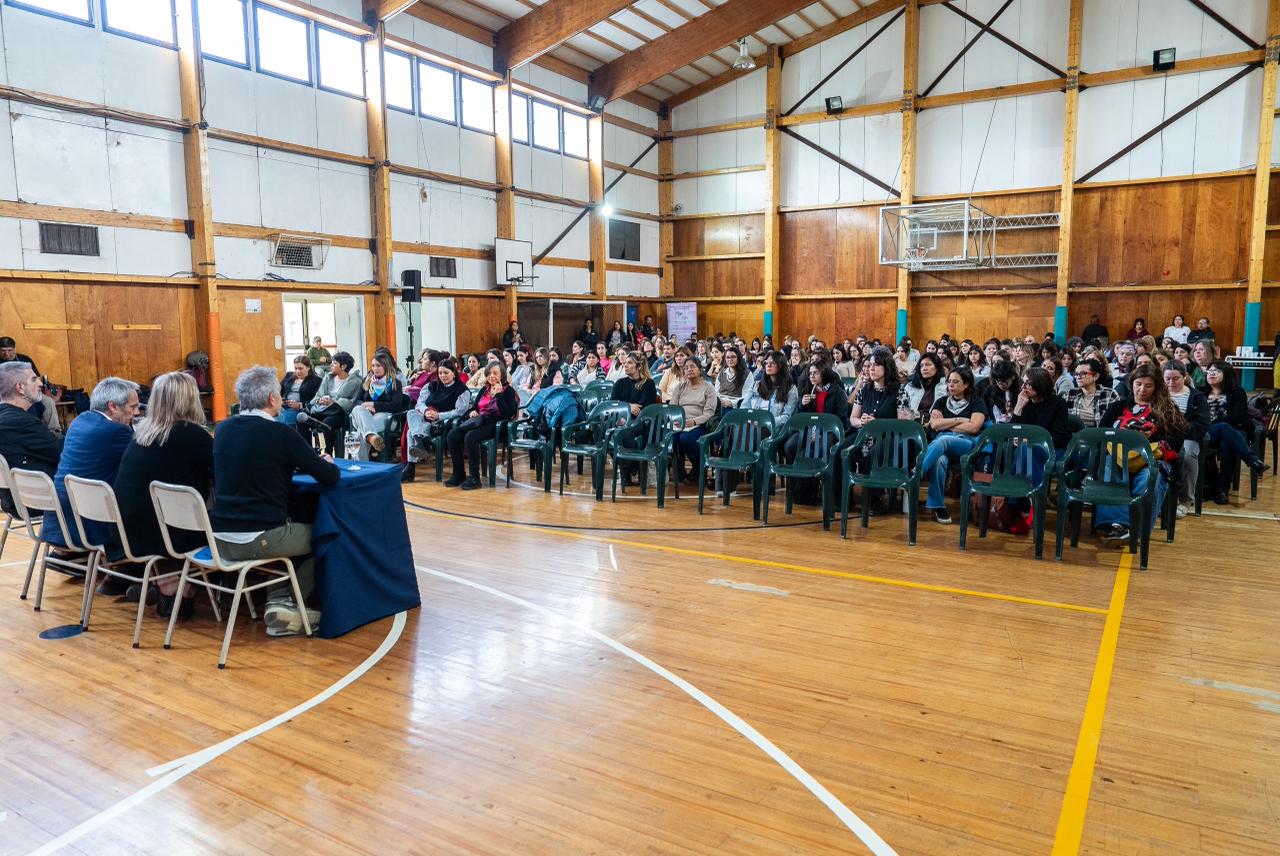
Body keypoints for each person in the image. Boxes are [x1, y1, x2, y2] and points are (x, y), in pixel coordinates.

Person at [212, 366, 340, 637]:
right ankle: (286, 603)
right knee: (326, 534)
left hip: (220, 538)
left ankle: (279, 597)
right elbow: (328, 476)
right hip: (258, 537)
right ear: (272, 399)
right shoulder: (280, 434)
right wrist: (324, 461)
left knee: (295, 521)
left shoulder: (223, 430)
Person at [113, 372, 212, 613]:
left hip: (127, 532)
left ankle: (168, 584)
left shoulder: (142, 433)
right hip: (169, 534)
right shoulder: (191, 434)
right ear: (190, 399)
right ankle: (184, 586)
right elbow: (224, 471)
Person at [41, 377, 140, 563]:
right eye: (133, 407)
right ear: (113, 407)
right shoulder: (117, 431)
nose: (137, 412)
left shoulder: (80, 420)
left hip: (61, 521)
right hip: (88, 525)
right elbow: (141, 465)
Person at [1092, 364, 1186, 542]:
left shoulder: (1166, 409)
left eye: (1148, 385)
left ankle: (1136, 529)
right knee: (1108, 468)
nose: (1142, 389)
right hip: (1120, 456)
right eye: (1138, 384)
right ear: (1131, 384)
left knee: (1150, 477)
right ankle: (1117, 525)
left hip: (1151, 458)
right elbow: (1101, 434)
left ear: (1156, 387)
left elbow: (1177, 441)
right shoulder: (1118, 406)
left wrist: (1152, 435)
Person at [921, 367, 988, 524]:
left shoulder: (977, 402)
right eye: (949, 381)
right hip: (941, 444)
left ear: (966, 385)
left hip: (966, 444)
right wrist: (960, 420)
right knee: (939, 461)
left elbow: (974, 427)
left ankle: (917, 472)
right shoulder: (941, 401)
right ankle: (938, 505)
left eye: (955, 381)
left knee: (943, 440)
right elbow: (935, 424)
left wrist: (946, 424)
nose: (951, 384)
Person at [0, 361, 63, 515]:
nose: (41, 383)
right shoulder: (20, 422)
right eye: (34, 379)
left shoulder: (9, 417)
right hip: (34, 501)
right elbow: (61, 453)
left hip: (13, 498)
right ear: (20, 387)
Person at [1202, 361, 1269, 504]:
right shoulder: (1201, 392)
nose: (1211, 374)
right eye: (1210, 371)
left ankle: (1222, 489)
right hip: (1209, 432)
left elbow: (1237, 417)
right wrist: (1217, 424)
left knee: (1228, 444)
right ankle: (1252, 460)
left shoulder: (1237, 392)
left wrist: (1221, 424)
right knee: (1222, 426)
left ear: (1226, 374)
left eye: (1216, 371)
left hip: (1235, 431)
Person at [445, 360, 517, 490]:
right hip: (479, 420)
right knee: (452, 435)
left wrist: (499, 395)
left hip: (496, 424)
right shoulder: (485, 389)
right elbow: (475, 407)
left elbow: (508, 414)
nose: (491, 376)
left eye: (495, 373)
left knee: (470, 437)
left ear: (502, 375)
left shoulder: (508, 391)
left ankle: (474, 478)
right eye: (489, 373)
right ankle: (459, 473)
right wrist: (473, 412)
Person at [402, 358, 471, 482]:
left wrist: (439, 416)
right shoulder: (432, 385)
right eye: (440, 373)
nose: (442, 376)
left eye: (446, 373)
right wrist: (426, 411)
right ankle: (420, 441)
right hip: (426, 417)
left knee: (409, 432)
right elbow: (420, 403)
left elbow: (459, 412)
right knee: (411, 412)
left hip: (442, 423)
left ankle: (411, 466)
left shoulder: (462, 390)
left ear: (454, 373)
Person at [1163, 360, 1210, 518]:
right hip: (1162, 435)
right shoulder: (1158, 394)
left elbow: (1202, 425)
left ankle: (1185, 500)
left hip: (1188, 437)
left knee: (1188, 454)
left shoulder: (1197, 397)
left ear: (1184, 377)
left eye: (1176, 378)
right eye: (1167, 379)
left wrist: (1178, 426)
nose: (1171, 382)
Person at [296, 351, 361, 457]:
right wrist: (319, 400)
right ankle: (306, 454)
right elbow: (318, 395)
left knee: (327, 424)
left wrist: (334, 402)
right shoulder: (327, 378)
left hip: (338, 412)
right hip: (321, 409)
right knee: (301, 419)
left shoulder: (355, 381)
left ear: (343, 366)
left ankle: (327, 455)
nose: (331, 365)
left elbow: (353, 401)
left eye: (335, 363)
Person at [350, 352, 408, 460]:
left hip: (386, 417)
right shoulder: (367, 380)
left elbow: (396, 406)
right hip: (363, 415)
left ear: (386, 366)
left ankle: (362, 466)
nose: (375, 368)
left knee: (358, 435)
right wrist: (366, 407)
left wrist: (374, 405)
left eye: (378, 365)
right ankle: (371, 436)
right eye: (373, 366)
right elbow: (356, 401)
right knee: (358, 408)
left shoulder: (395, 382)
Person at [668, 358, 718, 483]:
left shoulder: (708, 388)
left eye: (692, 366)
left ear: (700, 370)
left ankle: (698, 466)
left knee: (686, 438)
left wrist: (694, 421)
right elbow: (673, 408)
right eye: (686, 368)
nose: (689, 369)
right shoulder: (680, 387)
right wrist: (677, 420)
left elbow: (709, 413)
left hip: (698, 424)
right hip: (679, 422)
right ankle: (679, 471)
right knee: (671, 438)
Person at [1009, 367, 1072, 450]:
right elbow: (1011, 432)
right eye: (1023, 382)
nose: (1023, 387)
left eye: (1028, 383)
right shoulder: (1024, 401)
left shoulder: (1058, 403)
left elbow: (1059, 437)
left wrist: (1030, 441)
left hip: (1052, 447)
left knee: (1026, 450)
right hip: (1027, 446)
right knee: (1001, 445)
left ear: (1040, 384)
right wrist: (1017, 409)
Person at [741, 351, 798, 424]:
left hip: (772, 427)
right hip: (751, 424)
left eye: (773, 362)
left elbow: (787, 416)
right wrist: (749, 420)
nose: (768, 365)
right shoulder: (756, 385)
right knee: (733, 428)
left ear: (781, 365)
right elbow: (744, 407)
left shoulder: (790, 389)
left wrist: (765, 422)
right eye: (766, 362)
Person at [1065, 357, 1120, 428]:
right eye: (1076, 374)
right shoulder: (1070, 393)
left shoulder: (1110, 395)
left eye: (1082, 373)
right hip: (1075, 436)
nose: (1078, 377)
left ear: (1096, 376)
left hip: (1100, 436)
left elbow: (1117, 422)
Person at [900, 353, 946, 426]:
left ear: (937, 367)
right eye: (921, 366)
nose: (924, 368)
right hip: (911, 423)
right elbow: (902, 410)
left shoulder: (945, 387)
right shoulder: (911, 386)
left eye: (928, 364)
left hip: (934, 426)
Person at [610, 351, 658, 418]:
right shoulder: (619, 383)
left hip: (639, 422)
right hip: (619, 419)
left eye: (629, 363)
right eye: (625, 362)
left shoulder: (648, 383)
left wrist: (623, 412)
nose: (625, 365)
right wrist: (628, 406)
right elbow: (612, 405)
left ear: (639, 367)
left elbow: (641, 409)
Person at [277, 356, 320, 426]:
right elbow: (278, 390)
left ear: (308, 368)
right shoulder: (289, 375)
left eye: (300, 368)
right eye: (296, 368)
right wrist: (280, 399)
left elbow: (316, 400)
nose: (297, 371)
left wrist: (300, 405)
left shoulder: (316, 381)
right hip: (283, 407)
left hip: (301, 410)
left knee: (284, 422)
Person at [714, 345, 748, 410]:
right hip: (720, 404)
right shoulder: (721, 373)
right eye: (727, 357)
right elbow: (716, 392)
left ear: (738, 358)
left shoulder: (747, 374)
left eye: (733, 357)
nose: (730, 359)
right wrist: (720, 401)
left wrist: (731, 403)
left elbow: (746, 396)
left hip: (736, 406)